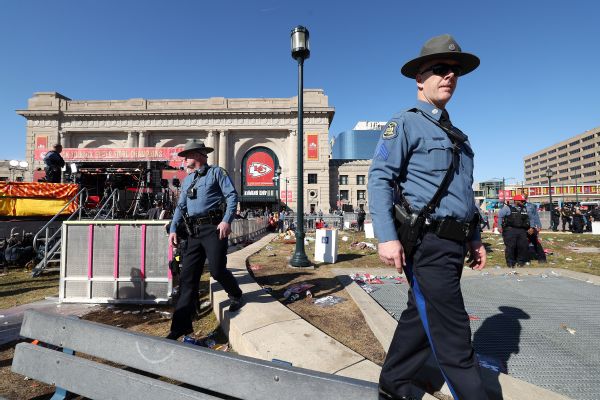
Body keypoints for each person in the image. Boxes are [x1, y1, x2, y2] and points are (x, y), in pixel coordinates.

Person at [368, 34, 488, 400]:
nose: (449, 76)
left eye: (454, 71)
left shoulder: (459, 137)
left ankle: (393, 384)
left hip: (454, 244)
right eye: (439, 69)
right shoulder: (405, 123)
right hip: (427, 242)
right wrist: (386, 237)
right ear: (419, 79)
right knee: (454, 336)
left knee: (421, 317)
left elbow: (463, 194)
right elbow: (379, 177)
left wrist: (475, 236)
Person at [166, 139, 243, 340]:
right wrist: (173, 229)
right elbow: (180, 207)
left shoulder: (217, 173)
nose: (184, 160)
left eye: (188, 155)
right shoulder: (187, 180)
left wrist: (227, 221)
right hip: (193, 232)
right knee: (187, 279)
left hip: (213, 228)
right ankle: (179, 328)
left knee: (217, 270)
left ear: (200, 155)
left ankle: (235, 293)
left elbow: (232, 197)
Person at [498, 195, 530, 267]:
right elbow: (500, 216)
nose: (523, 203)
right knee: (511, 247)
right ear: (516, 201)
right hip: (510, 230)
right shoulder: (507, 208)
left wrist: (531, 227)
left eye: (524, 201)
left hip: (522, 230)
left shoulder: (525, 209)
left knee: (522, 246)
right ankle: (510, 262)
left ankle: (520, 262)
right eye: (522, 201)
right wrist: (499, 226)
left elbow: (529, 219)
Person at [523, 195, 546, 263]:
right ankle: (525, 258)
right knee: (523, 243)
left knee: (535, 242)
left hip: (531, 227)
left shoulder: (531, 206)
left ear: (526, 198)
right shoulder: (516, 206)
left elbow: (535, 216)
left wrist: (538, 225)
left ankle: (542, 258)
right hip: (522, 227)